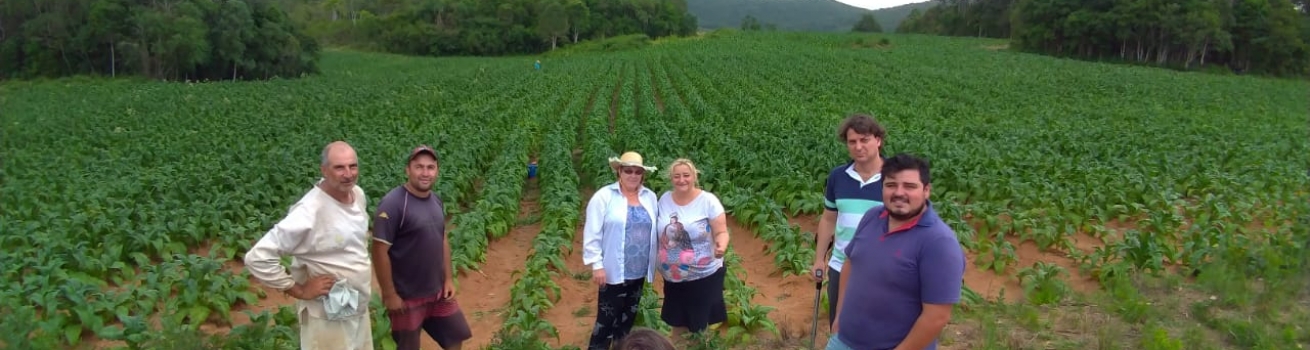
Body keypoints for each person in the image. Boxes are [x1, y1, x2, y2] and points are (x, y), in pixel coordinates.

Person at [244, 141, 374, 350]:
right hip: (327, 315)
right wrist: (300, 290)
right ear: (324, 170)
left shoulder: (357, 194)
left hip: (355, 306)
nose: (348, 174)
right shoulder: (309, 212)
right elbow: (257, 257)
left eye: (353, 166)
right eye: (339, 167)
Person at [828, 153, 965, 350]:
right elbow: (851, 263)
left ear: (926, 190)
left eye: (909, 186)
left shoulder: (939, 242)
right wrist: (840, 316)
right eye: (891, 185)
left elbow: (937, 316)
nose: (899, 193)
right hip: (843, 341)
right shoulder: (872, 217)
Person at [370, 145, 472, 350]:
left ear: (437, 171)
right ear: (408, 170)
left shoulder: (435, 200)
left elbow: (441, 239)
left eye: (430, 167)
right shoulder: (393, 203)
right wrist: (389, 294)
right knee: (408, 346)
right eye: (419, 167)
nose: (425, 173)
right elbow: (379, 250)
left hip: (437, 293)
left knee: (455, 336)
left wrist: (449, 279)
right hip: (407, 297)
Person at [812, 114, 888, 327]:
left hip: (882, 267)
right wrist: (819, 259)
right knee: (839, 327)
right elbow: (828, 219)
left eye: (864, 140)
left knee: (878, 328)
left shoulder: (894, 177)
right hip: (840, 264)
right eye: (852, 142)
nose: (858, 146)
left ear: (878, 140)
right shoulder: (838, 176)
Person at [581, 151, 660, 350]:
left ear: (643, 174)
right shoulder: (604, 196)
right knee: (605, 322)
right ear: (619, 172)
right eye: (628, 171)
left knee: (627, 322)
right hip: (613, 271)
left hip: (639, 270)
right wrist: (597, 265)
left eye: (637, 171)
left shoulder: (649, 197)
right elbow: (592, 233)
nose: (633, 175)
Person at [653, 158, 728, 342]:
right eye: (677, 176)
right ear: (671, 178)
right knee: (677, 324)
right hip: (673, 278)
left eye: (686, 175)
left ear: (694, 176)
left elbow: (721, 231)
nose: (682, 180)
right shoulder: (664, 199)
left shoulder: (708, 201)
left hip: (704, 277)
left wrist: (721, 245)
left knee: (700, 327)